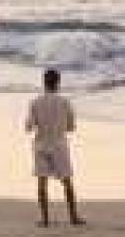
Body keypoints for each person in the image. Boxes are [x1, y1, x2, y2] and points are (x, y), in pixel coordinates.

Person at [25, 68, 84, 227]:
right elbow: (71, 127)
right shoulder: (65, 102)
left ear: (44, 82)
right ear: (58, 83)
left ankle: (45, 220)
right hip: (59, 144)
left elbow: (28, 127)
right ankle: (73, 217)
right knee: (67, 182)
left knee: (42, 183)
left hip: (41, 145)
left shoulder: (35, 102)